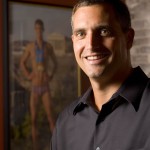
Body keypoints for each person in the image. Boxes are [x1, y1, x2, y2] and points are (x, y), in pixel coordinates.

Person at [51, 0, 150, 149]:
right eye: (81, 34)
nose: (91, 45)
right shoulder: (65, 123)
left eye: (104, 31)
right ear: (73, 42)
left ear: (128, 38)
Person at [20, 19, 57, 150]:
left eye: (40, 28)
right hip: (35, 87)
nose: (38, 31)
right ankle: (36, 147)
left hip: (45, 87)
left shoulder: (48, 47)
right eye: (36, 28)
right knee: (34, 120)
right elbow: (22, 62)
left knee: (51, 118)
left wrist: (50, 75)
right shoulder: (30, 46)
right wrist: (28, 75)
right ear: (34, 30)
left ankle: (57, 146)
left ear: (43, 30)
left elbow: (55, 64)